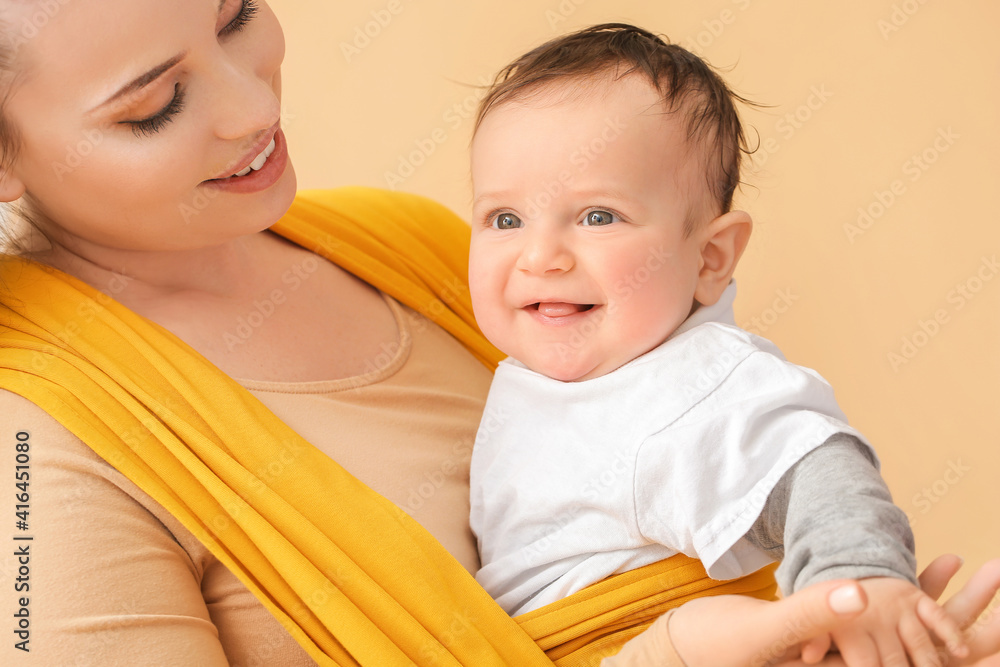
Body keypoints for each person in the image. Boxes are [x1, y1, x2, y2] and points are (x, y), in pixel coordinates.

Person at [0, 2, 995, 666]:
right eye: (156, 103)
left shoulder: (420, 246)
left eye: (236, 12)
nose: (255, 104)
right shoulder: (36, 457)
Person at [466, 24, 992, 666]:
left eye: (598, 216)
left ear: (710, 256)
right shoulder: (536, 368)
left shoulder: (692, 381)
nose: (539, 256)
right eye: (504, 219)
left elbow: (814, 467)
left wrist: (856, 574)